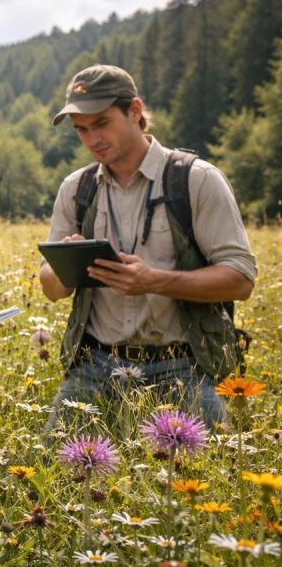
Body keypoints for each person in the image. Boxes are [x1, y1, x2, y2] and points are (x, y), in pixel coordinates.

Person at [40, 64, 257, 429]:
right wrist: (66, 266)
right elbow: (50, 289)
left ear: (135, 111)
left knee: (210, 470)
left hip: (183, 365)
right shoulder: (76, 189)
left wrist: (154, 281)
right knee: (50, 472)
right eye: (82, 130)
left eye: (102, 123)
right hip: (95, 363)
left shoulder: (196, 180)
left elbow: (240, 280)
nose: (92, 138)